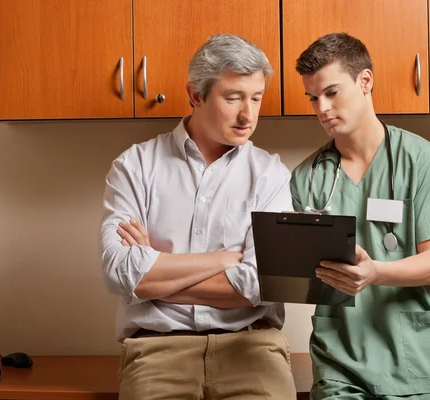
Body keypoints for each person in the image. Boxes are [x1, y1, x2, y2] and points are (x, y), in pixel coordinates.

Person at [99, 34, 296, 400]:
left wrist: (154, 279)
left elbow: (261, 284)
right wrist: (226, 260)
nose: (248, 114)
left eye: (256, 98)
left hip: (253, 349)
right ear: (195, 95)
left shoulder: (271, 175)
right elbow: (120, 272)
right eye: (233, 97)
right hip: (155, 352)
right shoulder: (135, 166)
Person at [290, 33, 430, 400]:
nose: (321, 107)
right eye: (312, 98)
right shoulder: (307, 178)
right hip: (340, 364)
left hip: (415, 363)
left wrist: (374, 273)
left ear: (365, 81)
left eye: (331, 92)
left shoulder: (422, 161)